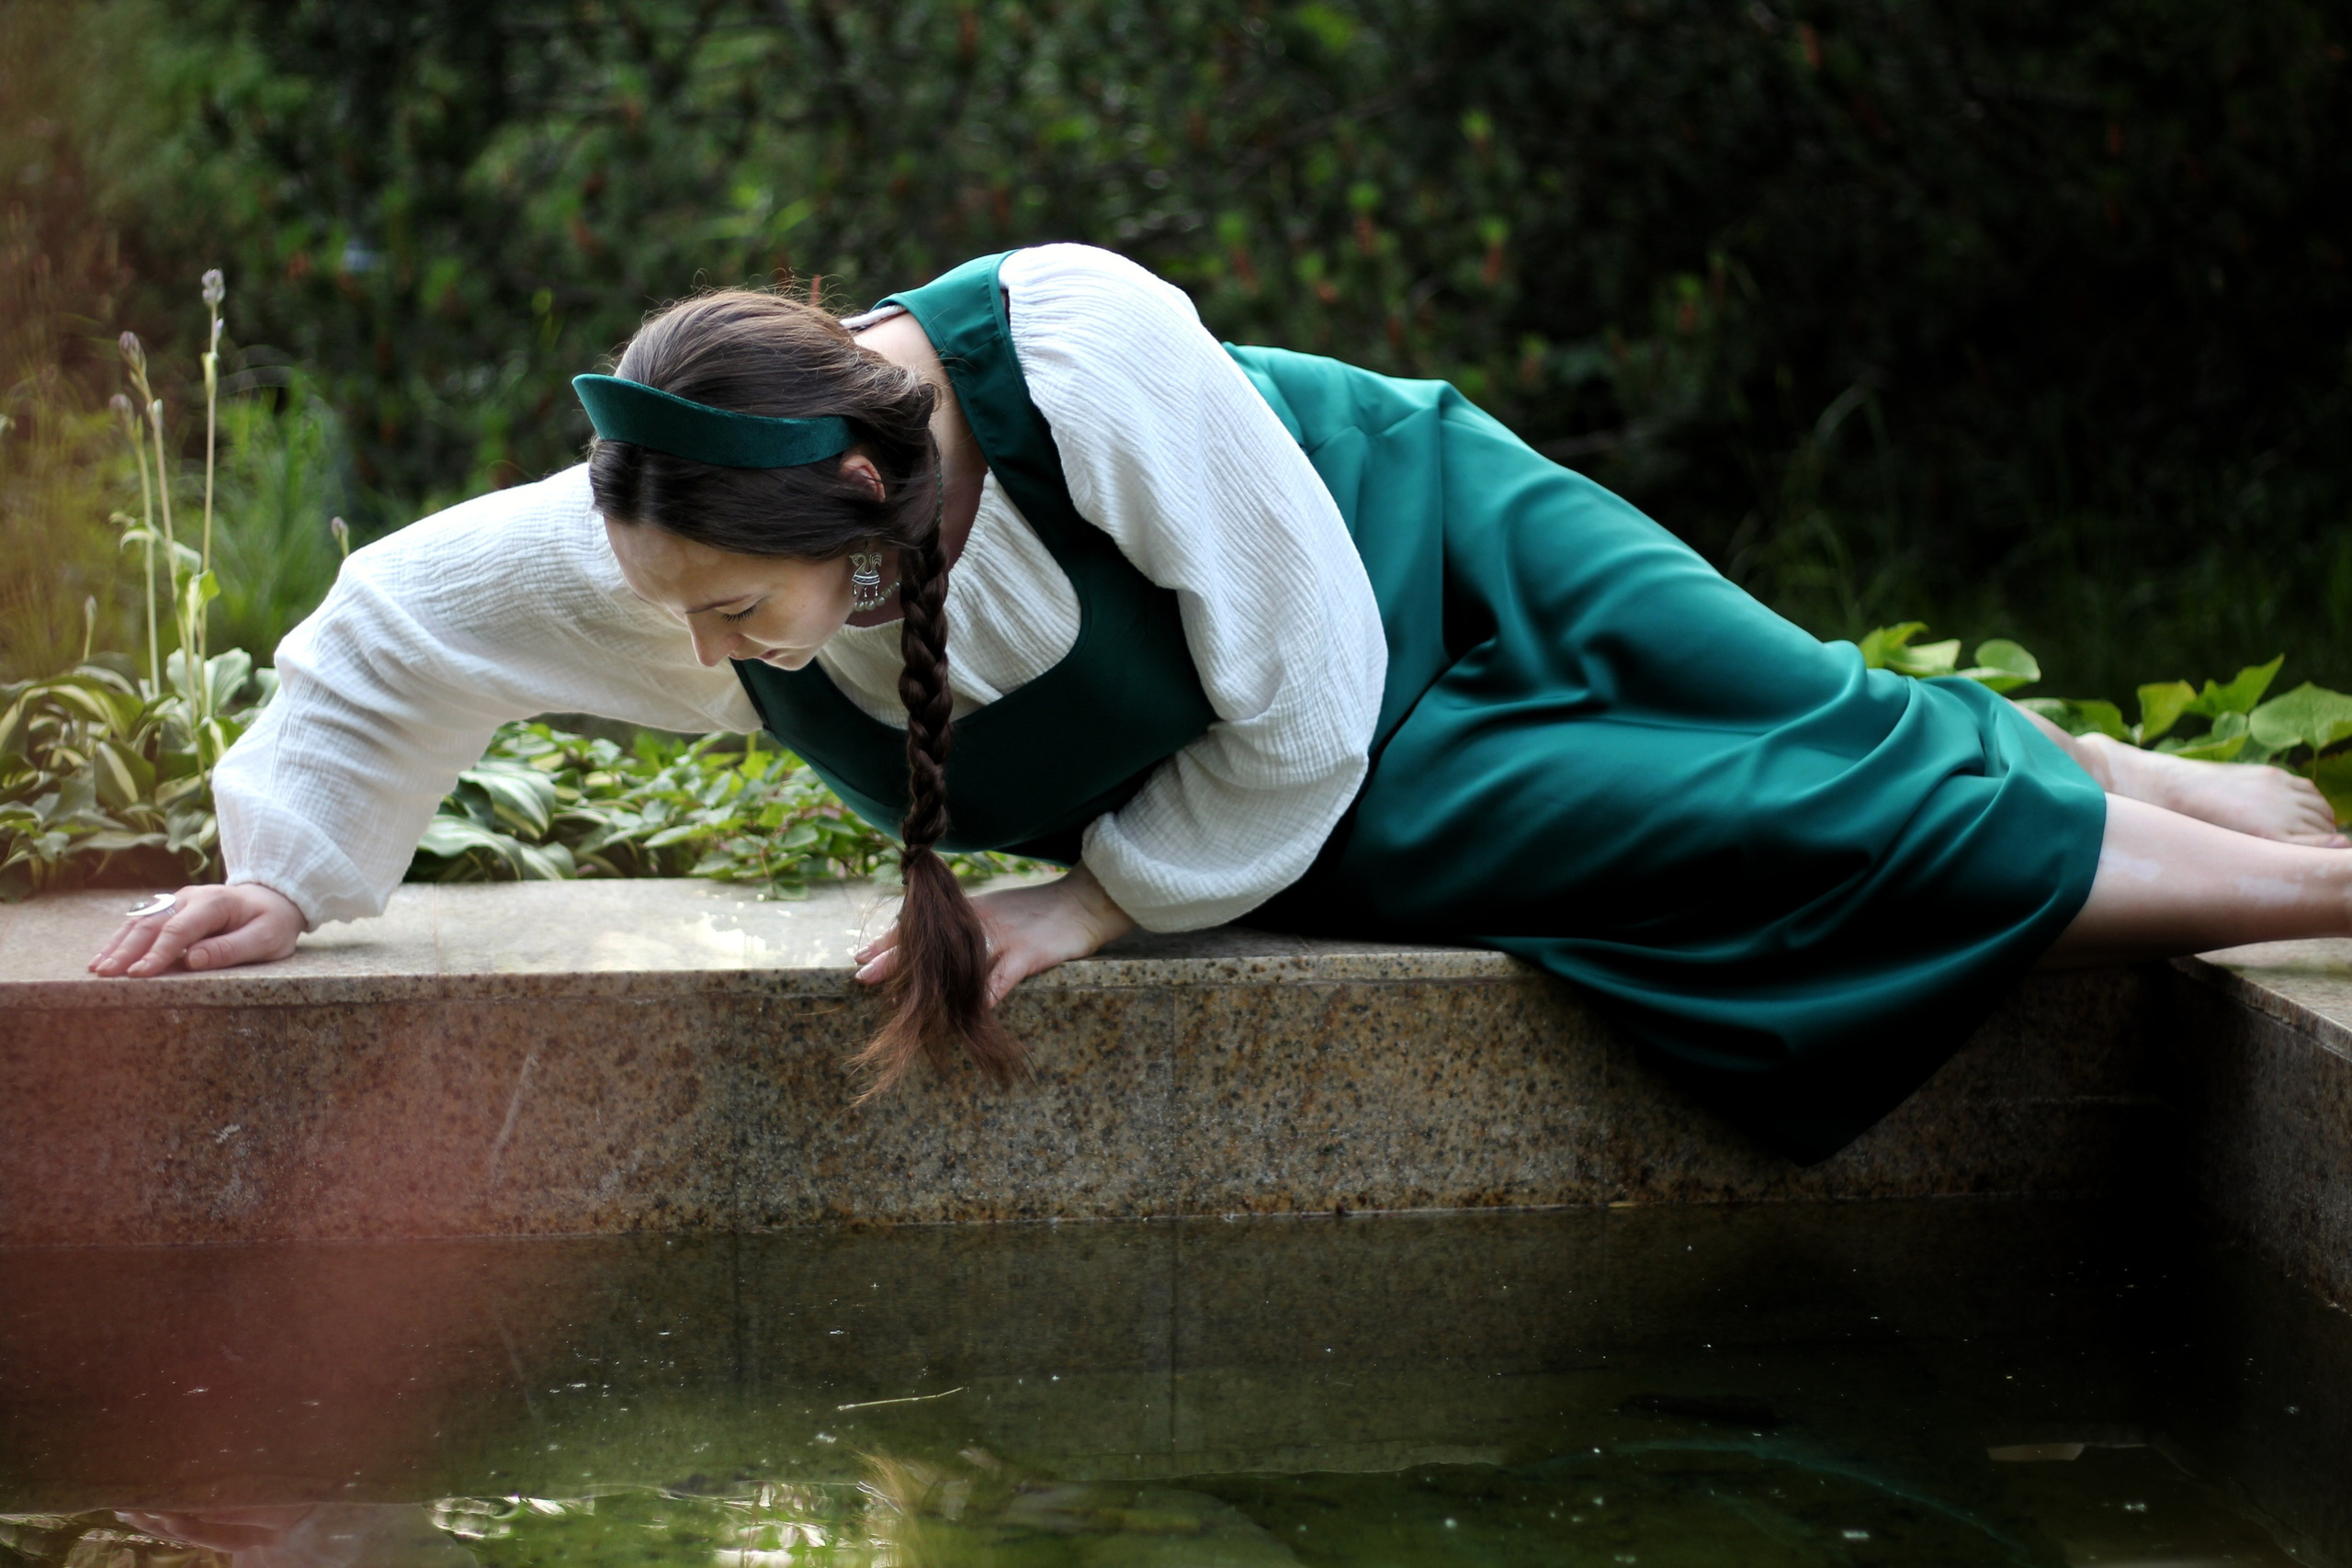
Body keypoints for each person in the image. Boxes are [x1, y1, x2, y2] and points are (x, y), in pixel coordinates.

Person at [87, 244, 2352, 1161]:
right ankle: (2296, 857)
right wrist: (287, 870)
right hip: (1337, 788)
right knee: (1791, 821)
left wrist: (1101, 903)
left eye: (736, 611)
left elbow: (1301, 691)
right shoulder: (683, 530)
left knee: (1798, 710)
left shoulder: (1075, 354)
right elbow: (386, 622)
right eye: (667, 607)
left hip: (1405, 554)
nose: (691, 655)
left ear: (869, 504)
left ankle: (2243, 830)